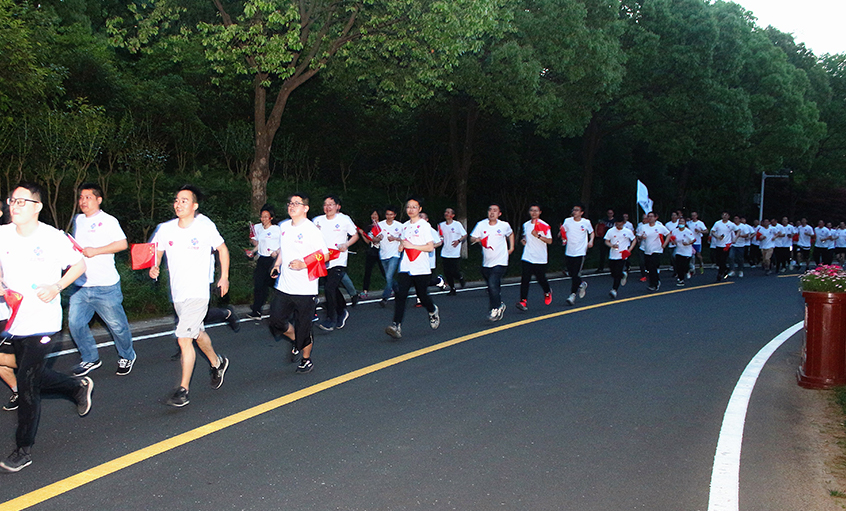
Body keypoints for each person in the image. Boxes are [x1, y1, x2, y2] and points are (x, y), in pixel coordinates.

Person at [0, 181, 92, 473]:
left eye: (21, 201)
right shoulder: (3, 235)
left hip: (43, 322)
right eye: (12, 201)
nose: (14, 206)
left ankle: (23, 449)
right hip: (13, 320)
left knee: (27, 382)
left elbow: (80, 266)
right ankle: (75, 386)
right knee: (31, 373)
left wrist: (57, 286)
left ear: (37, 206)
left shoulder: (53, 237)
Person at [150, 185, 230, 408]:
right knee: (196, 333)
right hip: (178, 293)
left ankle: (183, 390)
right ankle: (217, 362)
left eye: (184, 200)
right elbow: (157, 250)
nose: (178, 204)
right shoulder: (166, 229)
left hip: (198, 292)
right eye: (176, 200)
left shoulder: (204, 227)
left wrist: (224, 277)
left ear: (194, 206)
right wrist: (154, 266)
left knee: (184, 337)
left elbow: (223, 249)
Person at [67, 183, 136, 377]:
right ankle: (90, 358)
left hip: (105, 285)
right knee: (75, 324)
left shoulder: (108, 220)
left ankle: (127, 355)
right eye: (81, 197)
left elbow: (122, 244)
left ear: (99, 200)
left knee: (117, 327)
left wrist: (96, 251)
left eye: (88, 197)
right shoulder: (78, 220)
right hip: (81, 285)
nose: (83, 201)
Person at [268, 193, 328, 374]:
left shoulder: (311, 230)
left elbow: (324, 255)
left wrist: (304, 264)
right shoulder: (284, 226)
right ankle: (296, 340)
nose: (292, 206)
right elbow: (284, 249)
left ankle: (306, 359)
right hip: (284, 286)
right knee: (276, 321)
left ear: (305, 208)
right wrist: (277, 265)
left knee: (304, 327)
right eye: (290, 203)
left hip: (305, 289)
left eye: (296, 203)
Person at [385, 198, 441, 339]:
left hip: (421, 267)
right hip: (406, 266)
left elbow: (430, 247)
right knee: (400, 295)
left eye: (414, 207)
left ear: (419, 209)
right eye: (408, 207)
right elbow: (404, 242)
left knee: (422, 296)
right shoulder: (404, 226)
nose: (410, 209)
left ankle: (432, 310)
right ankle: (396, 325)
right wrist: (401, 246)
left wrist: (413, 246)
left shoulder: (424, 226)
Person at [312, 195, 359, 331]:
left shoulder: (344, 220)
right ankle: (341, 310)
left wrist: (346, 244)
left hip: (338, 259)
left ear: (337, 206)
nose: (328, 207)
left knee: (329, 288)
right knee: (331, 286)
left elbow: (355, 235)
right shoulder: (317, 220)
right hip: (322, 259)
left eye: (331, 204)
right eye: (325, 204)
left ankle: (330, 319)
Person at [470, 204, 514, 321]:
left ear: (499, 214)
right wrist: (477, 239)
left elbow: (510, 234)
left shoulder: (504, 225)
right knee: (493, 287)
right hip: (487, 262)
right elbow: (472, 238)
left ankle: (495, 308)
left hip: (501, 261)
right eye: (490, 210)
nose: (492, 212)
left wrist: (511, 247)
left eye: (495, 210)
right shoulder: (481, 224)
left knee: (492, 284)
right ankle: (499, 305)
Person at [247, 204, 281, 319]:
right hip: (262, 259)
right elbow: (260, 244)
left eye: (266, 216)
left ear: (271, 217)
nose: (263, 219)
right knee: (259, 284)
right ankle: (256, 311)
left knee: (274, 284)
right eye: (262, 217)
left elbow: (284, 244)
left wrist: (276, 252)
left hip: (274, 260)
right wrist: (252, 251)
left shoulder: (277, 229)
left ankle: (280, 308)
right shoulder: (261, 230)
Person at [516, 203, 552, 310]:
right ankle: (523, 301)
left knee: (541, 278)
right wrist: (524, 240)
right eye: (532, 210)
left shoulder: (544, 225)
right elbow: (525, 236)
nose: (534, 213)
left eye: (536, 211)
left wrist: (538, 236)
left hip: (540, 257)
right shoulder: (526, 224)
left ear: (540, 212)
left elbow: (550, 241)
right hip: (527, 255)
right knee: (525, 279)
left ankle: (547, 291)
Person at [562, 204, 595, 304]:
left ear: (581, 212)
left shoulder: (586, 222)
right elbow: (563, 231)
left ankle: (572, 295)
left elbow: (592, 232)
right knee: (571, 273)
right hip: (569, 250)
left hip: (580, 251)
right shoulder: (567, 221)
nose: (575, 212)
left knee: (576, 273)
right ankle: (581, 284)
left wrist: (591, 241)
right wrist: (563, 237)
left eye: (577, 210)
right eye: (574, 210)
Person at [376, 205, 403, 308]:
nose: (389, 216)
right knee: (389, 277)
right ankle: (398, 291)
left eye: (391, 214)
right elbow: (374, 238)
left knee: (388, 276)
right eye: (387, 214)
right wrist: (378, 238)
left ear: (395, 215)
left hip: (395, 254)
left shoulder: (399, 226)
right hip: (383, 254)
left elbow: (404, 238)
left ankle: (385, 298)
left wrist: (395, 238)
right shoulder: (380, 225)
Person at [356, 209, 385, 300]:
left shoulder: (383, 226)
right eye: (372, 214)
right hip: (372, 251)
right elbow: (368, 241)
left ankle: (393, 287)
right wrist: (362, 234)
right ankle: (365, 290)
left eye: (375, 214)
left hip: (382, 251)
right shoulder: (369, 227)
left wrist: (375, 239)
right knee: (368, 271)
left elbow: (380, 238)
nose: (374, 216)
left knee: (384, 271)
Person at [636, 212, 669, 291]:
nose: (650, 218)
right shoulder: (643, 227)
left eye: (651, 216)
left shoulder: (660, 227)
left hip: (657, 250)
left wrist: (664, 244)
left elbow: (668, 234)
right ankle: (655, 280)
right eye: (648, 217)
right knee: (648, 268)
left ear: (655, 217)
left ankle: (654, 284)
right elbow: (638, 237)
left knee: (653, 266)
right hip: (647, 250)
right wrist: (641, 237)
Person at [603, 217, 636, 298]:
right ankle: (623, 274)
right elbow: (606, 241)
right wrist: (611, 245)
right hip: (613, 255)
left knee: (617, 273)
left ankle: (614, 289)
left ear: (623, 223)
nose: (618, 224)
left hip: (622, 255)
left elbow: (634, 240)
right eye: (617, 223)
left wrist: (629, 250)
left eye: (620, 223)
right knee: (613, 272)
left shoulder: (627, 231)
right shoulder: (611, 231)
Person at [438, 208, 467, 296]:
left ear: (453, 215)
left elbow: (464, 235)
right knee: (447, 272)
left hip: (454, 252)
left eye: (448, 212)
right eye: (445, 212)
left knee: (454, 271)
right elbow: (439, 236)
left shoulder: (457, 224)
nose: (446, 213)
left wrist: (458, 241)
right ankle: (452, 289)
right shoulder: (441, 225)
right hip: (445, 251)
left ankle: (460, 277)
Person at [663, 217, 695, 286]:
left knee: (685, 266)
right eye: (680, 222)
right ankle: (681, 279)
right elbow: (671, 238)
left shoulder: (688, 231)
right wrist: (673, 241)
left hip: (687, 251)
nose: (681, 223)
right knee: (679, 266)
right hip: (679, 251)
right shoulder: (675, 231)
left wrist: (688, 243)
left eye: (682, 222)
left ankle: (687, 271)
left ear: (685, 223)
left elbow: (693, 239)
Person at [710, 212, 736, 281]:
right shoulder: (717, 223)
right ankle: (725, 269)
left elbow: (738, 230)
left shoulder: (731, 224)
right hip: (718, 244)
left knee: (723, 259)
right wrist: (717, 236)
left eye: (726, 215)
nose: (724, 216)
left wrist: (735, 238)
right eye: (723, 215)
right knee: (718, 260)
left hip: (727, 244)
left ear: (728, 216)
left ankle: (720, 273)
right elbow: (712, 231)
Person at [595, 208, 615, 273]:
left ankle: (612, 267)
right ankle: (601, 267)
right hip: (603, 238)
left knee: (611, 253)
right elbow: (598, 226)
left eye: (611, 213)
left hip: (612, 239)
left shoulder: (615, 221)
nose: (610, 214)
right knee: (602, 253)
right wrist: (597, 234)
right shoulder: (604, 220)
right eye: (609, 213)